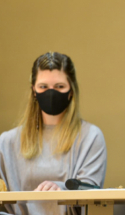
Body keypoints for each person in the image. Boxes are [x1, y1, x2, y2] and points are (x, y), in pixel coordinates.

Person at [0, 52, 107, 215]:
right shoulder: (6, 142)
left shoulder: (91, 137)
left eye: (59, 86)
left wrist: (62, 188)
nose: (51, 93)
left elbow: (90, 194)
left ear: (71, 90)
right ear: (33, 91)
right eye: (43, 87)